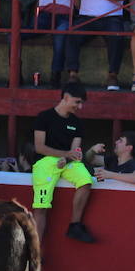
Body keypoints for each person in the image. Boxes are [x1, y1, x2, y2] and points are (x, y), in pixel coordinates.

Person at [31, 82, 95, 242]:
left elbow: (75, 152)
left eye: (81, 103)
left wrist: (66, 159)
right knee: (41, 207)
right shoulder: (44, 117)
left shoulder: (77, 123)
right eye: (77, 102)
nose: (80, 107)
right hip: (45, 162)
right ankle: (34, 251)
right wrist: (65, 155)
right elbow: (39, 147)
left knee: (86, 180)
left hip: (68, 162)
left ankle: (75, 225)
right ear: (66, 97)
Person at [67, 0, 129, 90]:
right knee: (71, 34)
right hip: (86, 18)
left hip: (111, 18)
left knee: (117, 36)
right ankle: (72, 74)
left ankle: (113, 76)